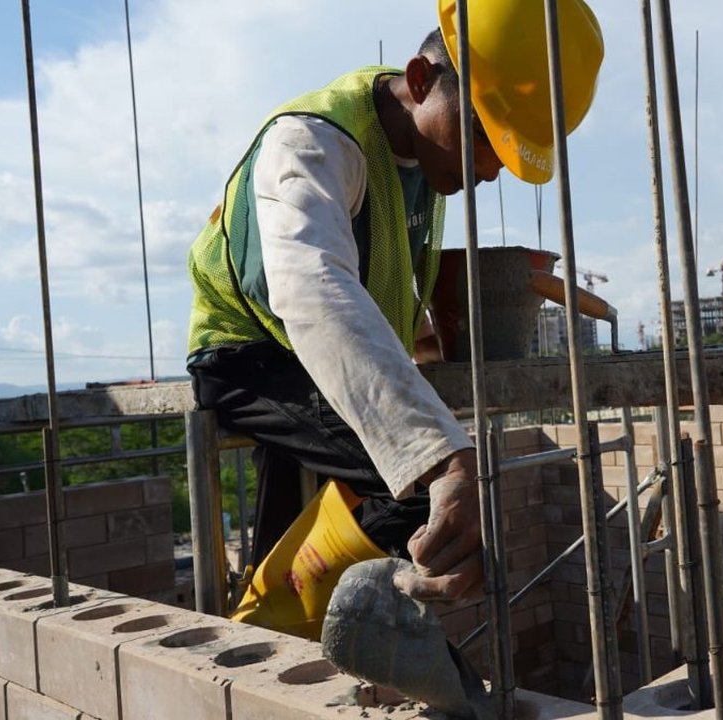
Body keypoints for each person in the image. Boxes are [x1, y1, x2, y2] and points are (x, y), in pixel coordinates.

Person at [184, 0, 603, 605]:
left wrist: (418, 344)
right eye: (483, 134)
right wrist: (442, 459)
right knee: (424, 498)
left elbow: (371, 283)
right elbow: (311, 289)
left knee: (294, 543)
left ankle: (277, 624)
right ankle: (306, 627)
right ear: (420, 79)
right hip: (247, 358)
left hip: (318, 363)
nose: (490, 169)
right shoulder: (311, 143)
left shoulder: (425, 160)